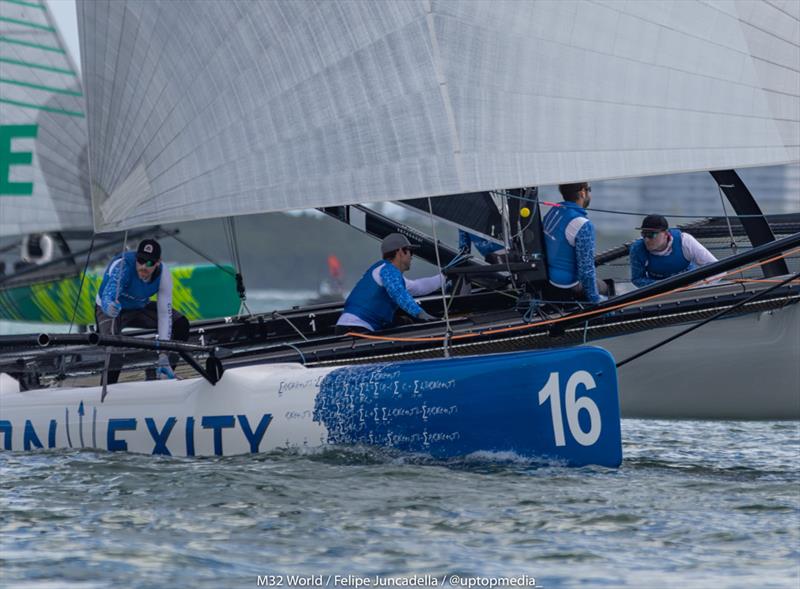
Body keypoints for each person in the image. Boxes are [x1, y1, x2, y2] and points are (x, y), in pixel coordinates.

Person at [95, 239, 189, 384]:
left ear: (158, 262)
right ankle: (107, 388)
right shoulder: (123, 266)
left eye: (150, 263)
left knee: (181, 324)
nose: (143, 266)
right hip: (113, 309)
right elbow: (109, 294)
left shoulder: (163, 275)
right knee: (115, 347)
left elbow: (164, 314)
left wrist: (164, 353)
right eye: (140, 260)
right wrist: (109, 306)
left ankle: (165, 374)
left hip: (139, 307)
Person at [335, 233, 443, 334]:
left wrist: (445, 276)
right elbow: (398, 293)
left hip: (352, 327)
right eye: (410, 251)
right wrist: (421, 314)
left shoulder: (388, 275)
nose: (412, 257)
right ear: (400, 252)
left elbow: (419, 287)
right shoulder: (387, 270)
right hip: (357, 328)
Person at [542, 182, 608, 303]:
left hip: (549, 279)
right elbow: (586, 271)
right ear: (582, 192)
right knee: (604, 287)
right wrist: (596, 300)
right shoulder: (582, 224)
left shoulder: (553, 211)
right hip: (566, 287)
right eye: (589, 190)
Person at [629, 215, 718, 287]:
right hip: (660, 293)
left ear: (666, 234)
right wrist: (665, 287)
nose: (646, 239)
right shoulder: (637, 249)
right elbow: (638, 279)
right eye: (644, 234)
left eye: (651, 234)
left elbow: (715, 267)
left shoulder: (685, 241)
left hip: (690, 287)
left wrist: (701, 285)